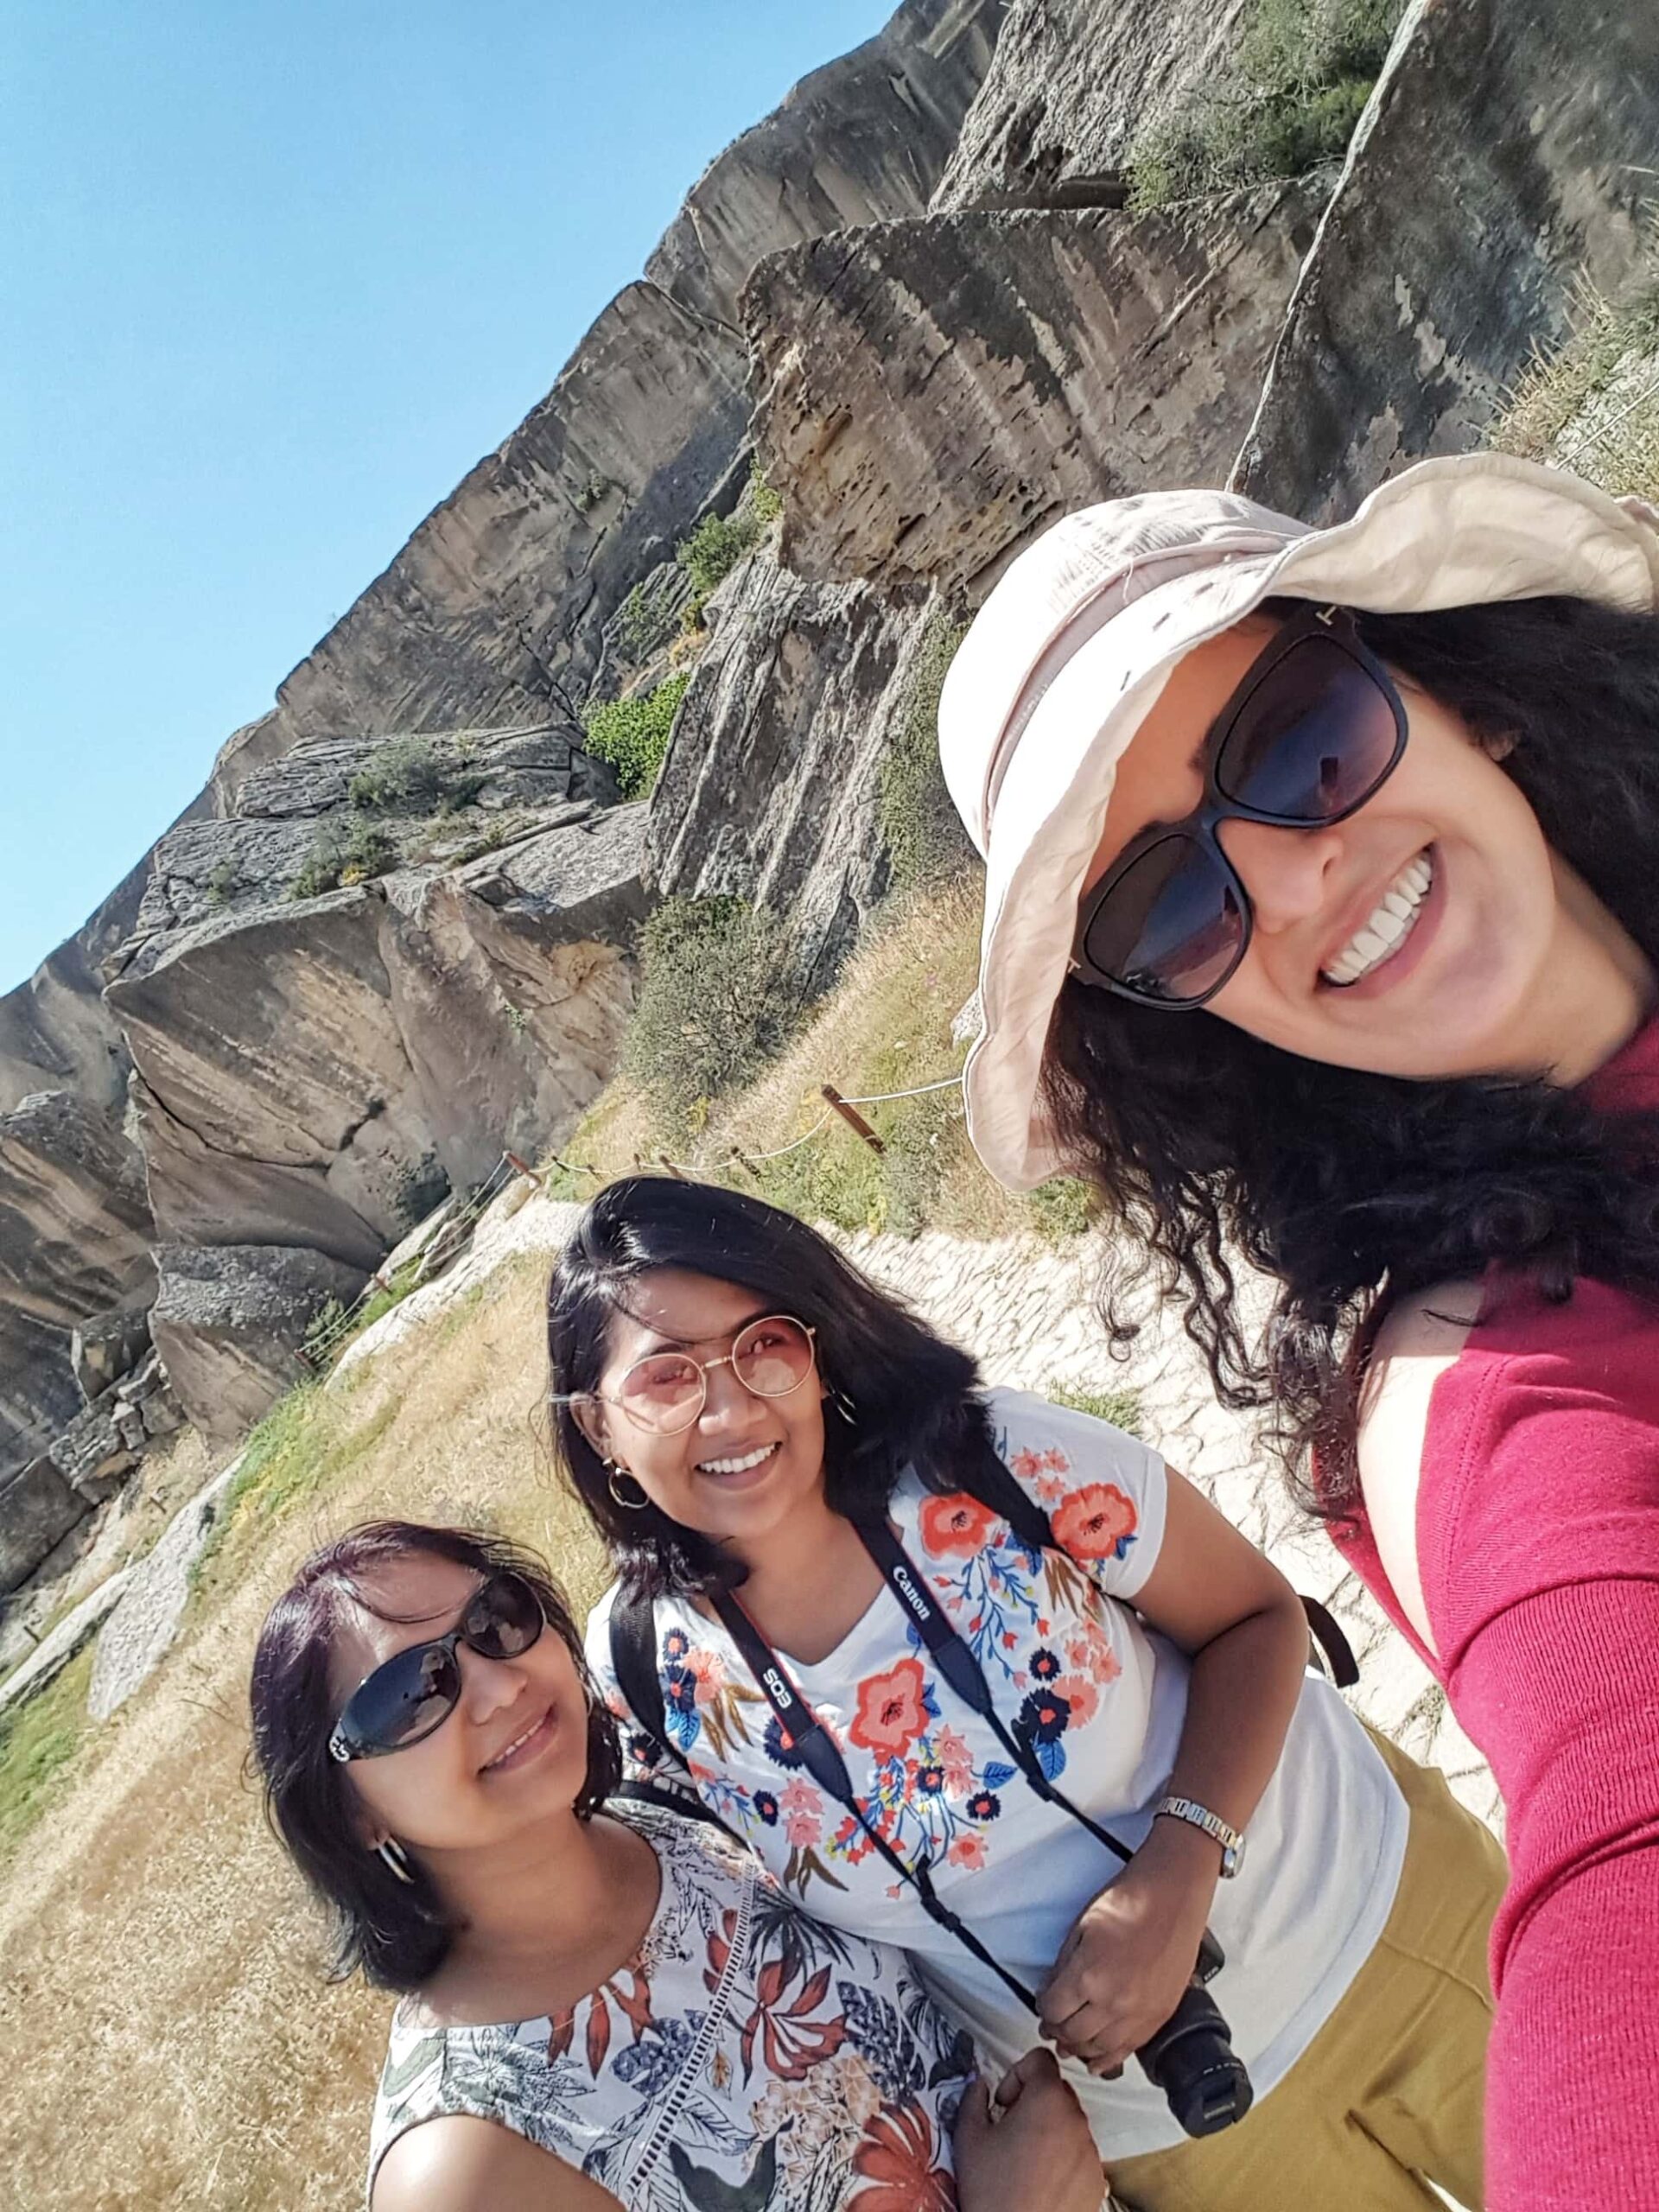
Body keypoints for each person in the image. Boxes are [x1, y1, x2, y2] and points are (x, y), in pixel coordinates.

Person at [932, 449, 1659, 2209]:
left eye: (1296, 736)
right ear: (1192, 1020)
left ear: (1449, 685)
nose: (1295, 873)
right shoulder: (1485, 1390)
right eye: (1173, 906)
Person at [548, 1174, 1504, 2211]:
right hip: (1172, 2133)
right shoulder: (644, 1674)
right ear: (599, 1429)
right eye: (667, 1378)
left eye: (764, 1342)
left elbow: (1258, 1619)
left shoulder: (987, 1461)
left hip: (1381, 1927)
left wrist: (1174, 1878)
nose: (731, 1406)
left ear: (815, 1350)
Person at [250, 1518, 1109, 2212]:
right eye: (409, 1694)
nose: (497, 1685)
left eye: (494, 1621)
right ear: (351, 1812)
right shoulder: (466, 2166)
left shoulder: (678, 1796)